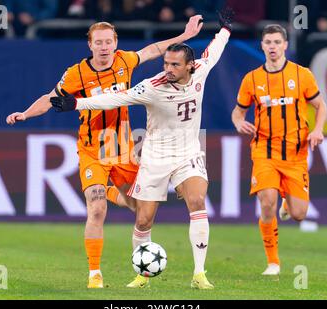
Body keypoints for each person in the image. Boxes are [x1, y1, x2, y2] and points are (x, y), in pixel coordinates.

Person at [6, 17, 203, 289]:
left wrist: (184, 35)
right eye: (98, 42)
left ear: (116, 43)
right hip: (93, 150)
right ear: (90, 45)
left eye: (109, 41)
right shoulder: (76, 73)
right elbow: (51, 97)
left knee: (140, 209)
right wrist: (26, 113)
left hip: (122, 150)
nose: (104, 47)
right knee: (96, 208)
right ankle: (95, 274)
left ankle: (110, 191)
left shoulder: (124, 61)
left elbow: (154, 50)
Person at [50, 5, 235, 289]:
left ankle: (199, 274)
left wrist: (225, 29)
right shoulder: (151, 86)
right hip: (155, 157)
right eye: (166, 64)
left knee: (197, 201)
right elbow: (115, 99)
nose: (168, 69)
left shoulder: (201, 71)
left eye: (174, 65)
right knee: (144, 218)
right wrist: (77, 103)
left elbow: (215, 50)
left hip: (188, 154)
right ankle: (142, 274)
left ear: (189, 65)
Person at [231, 24, 327, 275]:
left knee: (298, 214)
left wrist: (317, 130)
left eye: (277, 42)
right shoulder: (251, 79)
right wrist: (238, 122)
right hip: (264, 152)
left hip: (295, 155)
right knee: (267, 203)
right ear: (262, 46)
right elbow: (238, 111)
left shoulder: (302, 74)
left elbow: (320, 105)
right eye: (268, 42)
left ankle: (288, 202)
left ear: (285, 45)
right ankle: (273, 261)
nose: (272, 47)